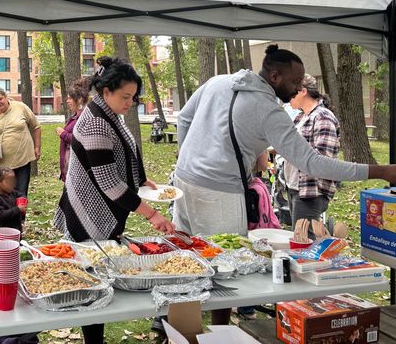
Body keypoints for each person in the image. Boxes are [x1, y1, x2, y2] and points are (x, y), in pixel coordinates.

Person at [172, 44, 396, 324]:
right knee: (227, 267)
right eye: (294, 82)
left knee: (185, 262)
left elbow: (183, 117)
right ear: (275, 76)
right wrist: (380, 170)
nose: (298, 88)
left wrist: (188, 158)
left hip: (182, 182)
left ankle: (179, 328)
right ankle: (220, 332)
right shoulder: (269, 111)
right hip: (219, 193)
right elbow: (312, 163)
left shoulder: (218, 82)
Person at [53, 56, 174, 344]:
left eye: (133, 97)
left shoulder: (108, 113)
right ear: (106, 91)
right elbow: (108, 182)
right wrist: (152, 215)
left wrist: (140, 179)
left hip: (101, 210)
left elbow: (124, 151)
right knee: (92, 284)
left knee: (99, 278)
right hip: (88, 213)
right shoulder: (95, 122)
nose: (130, 103)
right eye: (126, 96)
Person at [285, 74, 340, 239]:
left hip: (310, 191)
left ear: (302, 91)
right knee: (298, 240)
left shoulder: (322, 117)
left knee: (305, 243)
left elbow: (322, 159)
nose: (287, 98)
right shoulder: (301, 117)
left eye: (290, 93)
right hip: (294, 187)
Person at [0, 88, 41, 197]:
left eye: (0, 99)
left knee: (21, 194)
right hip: (2, 165)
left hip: (22, 160)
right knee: (5, 196)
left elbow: (36, 126)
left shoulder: (20, 107)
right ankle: (8, 214)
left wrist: (37, 147)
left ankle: (20, 214)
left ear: (6, 97)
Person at [56, 77, 89, 181]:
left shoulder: (84, 117)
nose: (67, 101)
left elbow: (83, 141)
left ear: (79, 100)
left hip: (78, 172)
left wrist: (63, 134)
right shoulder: (76, 116)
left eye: (70, 98)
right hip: (71, 170)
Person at [0, 168, 27, 233]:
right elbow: (0, 215)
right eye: (8, 182)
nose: (12, 184)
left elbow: (21, 194)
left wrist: (22, 200)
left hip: (16, 229)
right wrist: (17, 209)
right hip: (3, 232)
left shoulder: (13, 193)